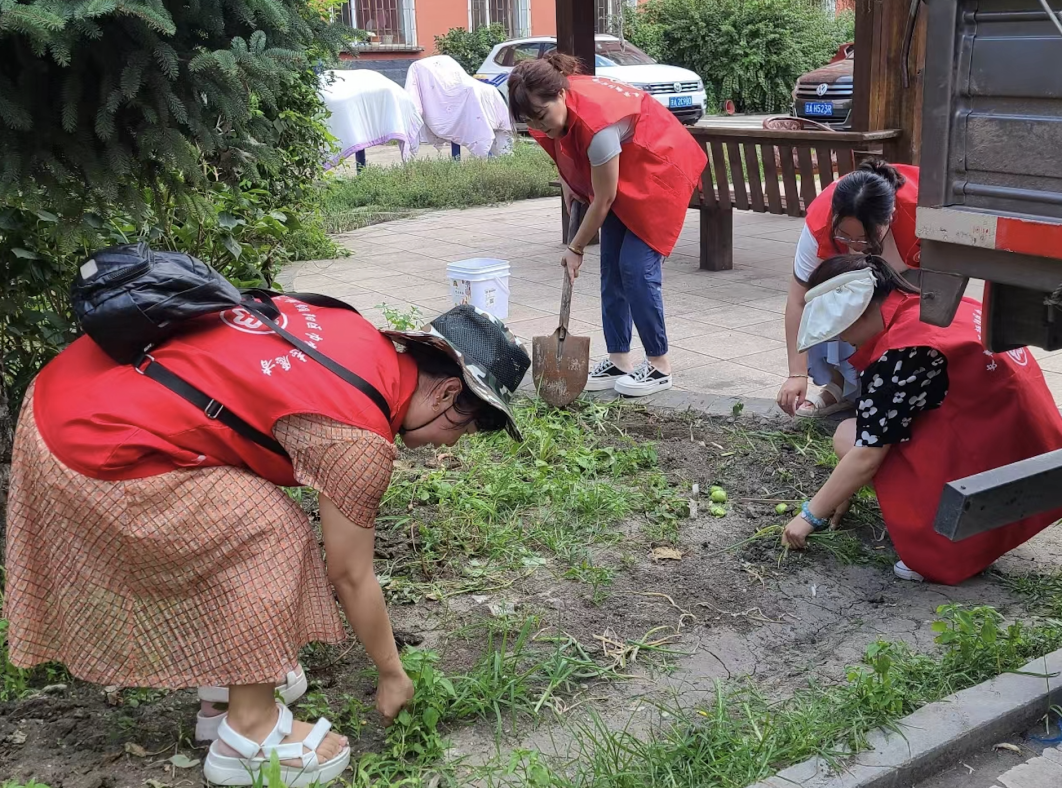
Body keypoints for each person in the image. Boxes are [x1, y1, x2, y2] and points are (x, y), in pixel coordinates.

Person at [3, 301, 530, 786]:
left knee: (237, 511)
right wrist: (392, 674)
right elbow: (350, 574)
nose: (451, 443)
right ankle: (248, 734)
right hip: (91, 440)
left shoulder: (354, 335)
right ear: (446, 394)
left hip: (70, 389)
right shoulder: (356, 435)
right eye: (469, 427)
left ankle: (226, 684)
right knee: (269, 532)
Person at [780, 254, 1062, 585]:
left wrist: (809, 516)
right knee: (851, 431)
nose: (842, 339)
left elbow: (868, 455)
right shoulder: (933, 306)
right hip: (1038, 451)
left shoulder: (900, 353)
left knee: (850, 438)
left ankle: (949, 541)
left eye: (841, 327)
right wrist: (839, 492)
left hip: (989, 470)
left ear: (860, 310)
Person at [508, 52, 707, 397]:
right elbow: (563, 147)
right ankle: (619, 359)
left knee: (635, 268)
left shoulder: (597, 127)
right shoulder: (555, 105)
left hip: (660, 169)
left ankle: (659, 365)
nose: (539, 126)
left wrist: (575, 248)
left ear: (561, 94)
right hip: (626, 167)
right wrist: (569, 180)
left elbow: (603, 199)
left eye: (541, 116)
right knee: (612, 268)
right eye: (530, 121)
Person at [777, 159, 921, 418]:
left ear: (891, 217)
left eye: (865, 239)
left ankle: (899, 386)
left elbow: (944, 287)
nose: (855, 246)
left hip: (916, 270)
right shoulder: (821, 224)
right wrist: (796, 374)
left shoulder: (921, 218)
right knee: (827, 292)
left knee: (908, 318)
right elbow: (799, 299)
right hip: (862, 266)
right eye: (845, 236)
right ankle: (841, 384)